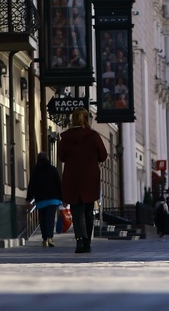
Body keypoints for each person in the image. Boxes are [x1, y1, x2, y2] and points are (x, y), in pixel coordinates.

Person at [58, 107, 108, 254]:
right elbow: (103, 156)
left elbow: (61, 157)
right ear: (87, 119)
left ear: (72, 120)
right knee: (88, 211)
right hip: (89, 179)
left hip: (72, 178)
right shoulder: (93, 136)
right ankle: (87, 242)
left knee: (77, 210)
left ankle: (80, 239)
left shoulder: (66, 137)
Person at [27, 152, 63, 247]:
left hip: (41, 199)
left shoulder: (36, 171)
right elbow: (59, 184)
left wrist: (28, 199)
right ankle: (49, 237)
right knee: (50, 218)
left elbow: (31, 186)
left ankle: (44, 239)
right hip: (53, 199)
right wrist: (63, 197)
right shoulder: (53, 169)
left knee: (42, 219)